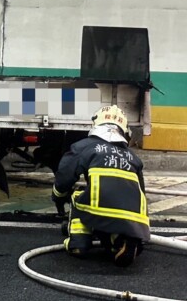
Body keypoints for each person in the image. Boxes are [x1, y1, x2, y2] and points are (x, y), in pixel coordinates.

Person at [52, 105, 150, 267]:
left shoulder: (85, 147)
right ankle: (120, 240)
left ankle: (78, 243)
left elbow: (65, 177)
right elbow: (141, 191)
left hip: (101, 209)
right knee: (110, 214)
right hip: (136, 218)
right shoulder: (133, 156)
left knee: (79, 195)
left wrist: (58, 196)